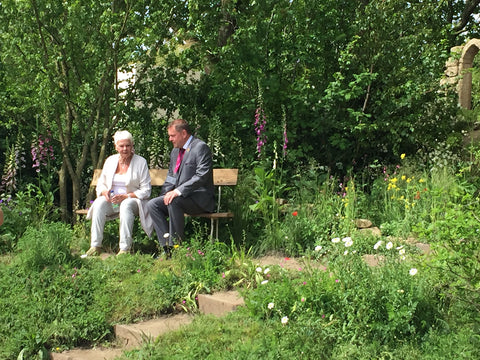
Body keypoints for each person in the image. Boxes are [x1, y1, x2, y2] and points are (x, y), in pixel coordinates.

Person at [147, 119, 215, 257]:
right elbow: (171, 177)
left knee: (174, 201)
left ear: (183, 133)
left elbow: (201, 176)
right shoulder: (175, 152)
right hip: (182, 198)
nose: (170, 139)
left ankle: (177, 248)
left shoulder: (200, 147)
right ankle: (166, 248)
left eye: (172, 135)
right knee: (153, 204)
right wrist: (164, 195)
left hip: (199, 198)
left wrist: (178, 191)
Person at [84, 130, 152, 257]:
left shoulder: (140, 162)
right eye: (121, 146)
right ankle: (95, 246)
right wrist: (104, 192)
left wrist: (127, 196)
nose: (125, 149)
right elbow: (101, 184)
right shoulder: (110, 160)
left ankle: (124, 249)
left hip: (133, 201)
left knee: (126, 204)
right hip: (114, 202)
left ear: (132, 146)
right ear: (116, 147)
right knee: (99, 203)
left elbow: (146, 190)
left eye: (128, 145)